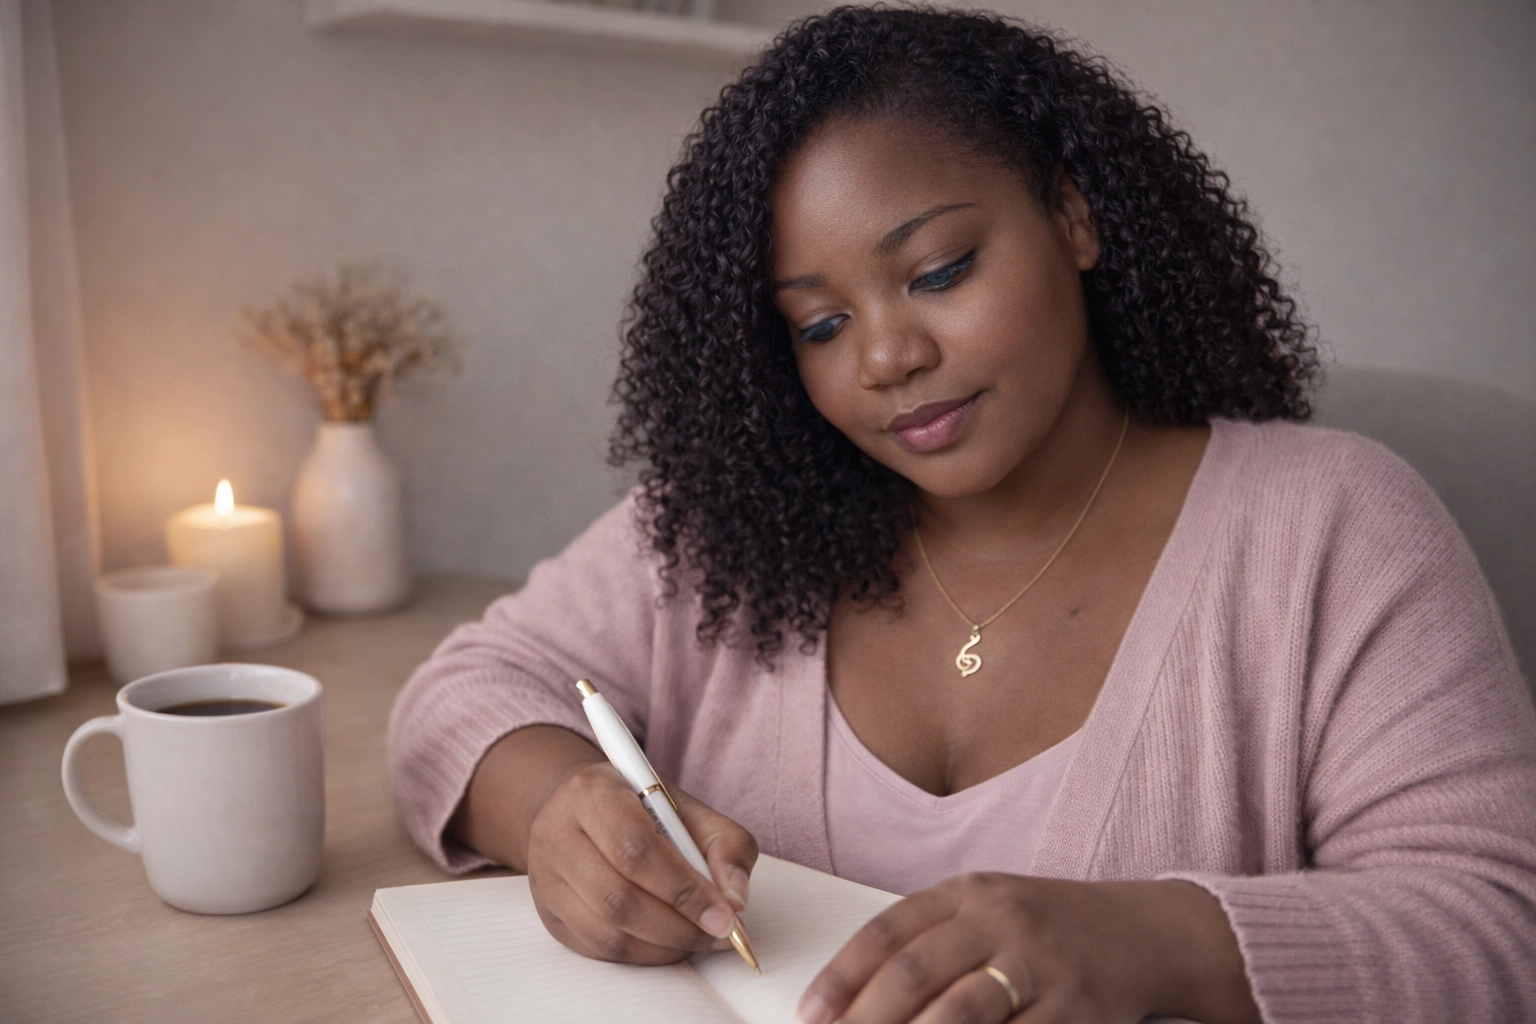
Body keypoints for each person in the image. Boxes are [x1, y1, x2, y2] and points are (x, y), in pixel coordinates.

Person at [388, 7, 1536, 1023]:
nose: (888, 355)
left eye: (938, 271)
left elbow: (1498, 925)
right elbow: (465, 689)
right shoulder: (734, 526)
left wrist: (1154, 943)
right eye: (819, 325)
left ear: (1076, 221)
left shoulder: (1335, 527)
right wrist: (556, 814)